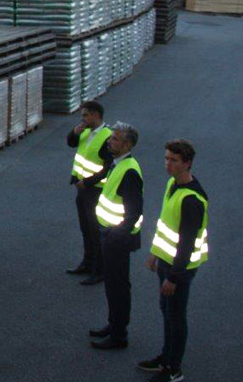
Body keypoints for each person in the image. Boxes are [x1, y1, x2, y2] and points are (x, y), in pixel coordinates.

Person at [137, 140, 208, 382]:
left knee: (176, 316)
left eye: (174, 160)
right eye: (166, 158)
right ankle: (165, 357)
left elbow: (187, 244)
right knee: (166, 311)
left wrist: (174, 278)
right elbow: (166, 224)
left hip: (180, 268)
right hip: (166, 261)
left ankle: (174, 369)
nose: (168, 164)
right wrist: (155, 253)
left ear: (187, 163)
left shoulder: (191, 200)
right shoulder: (172, 184)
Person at [89, 122, 144, 350]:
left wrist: (116, 235)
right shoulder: (117, 162)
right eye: (110, 137)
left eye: (114, 139)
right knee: (112, 285)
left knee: (118, 286)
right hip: (110, 234)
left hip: (117, 238)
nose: (109, 142)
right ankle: (113, 324)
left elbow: (134, 211)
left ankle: (119, 334)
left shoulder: (129, 170)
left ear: (127, 144)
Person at [67, 100, 113, 285]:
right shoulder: (85, 131)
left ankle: (99, 270)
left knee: (96, 231)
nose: (83, 119)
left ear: (96, 115)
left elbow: (107, 167)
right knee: (85, 229)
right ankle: (87, 263)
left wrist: (87, 182)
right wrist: (74, 132)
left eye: (86, 115)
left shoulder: (107, 137)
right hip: (82, 189)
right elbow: (70, 143)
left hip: (95, 190)